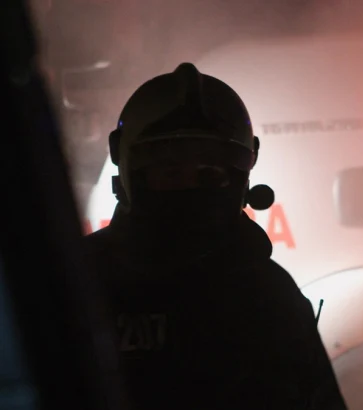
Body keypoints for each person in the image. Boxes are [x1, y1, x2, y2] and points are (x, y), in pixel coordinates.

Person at [84, 62, 347, 410]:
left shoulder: (269, 296)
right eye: (171, 172)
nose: (190, 188)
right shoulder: (80, 284)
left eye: (209, 174)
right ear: (135, 174)